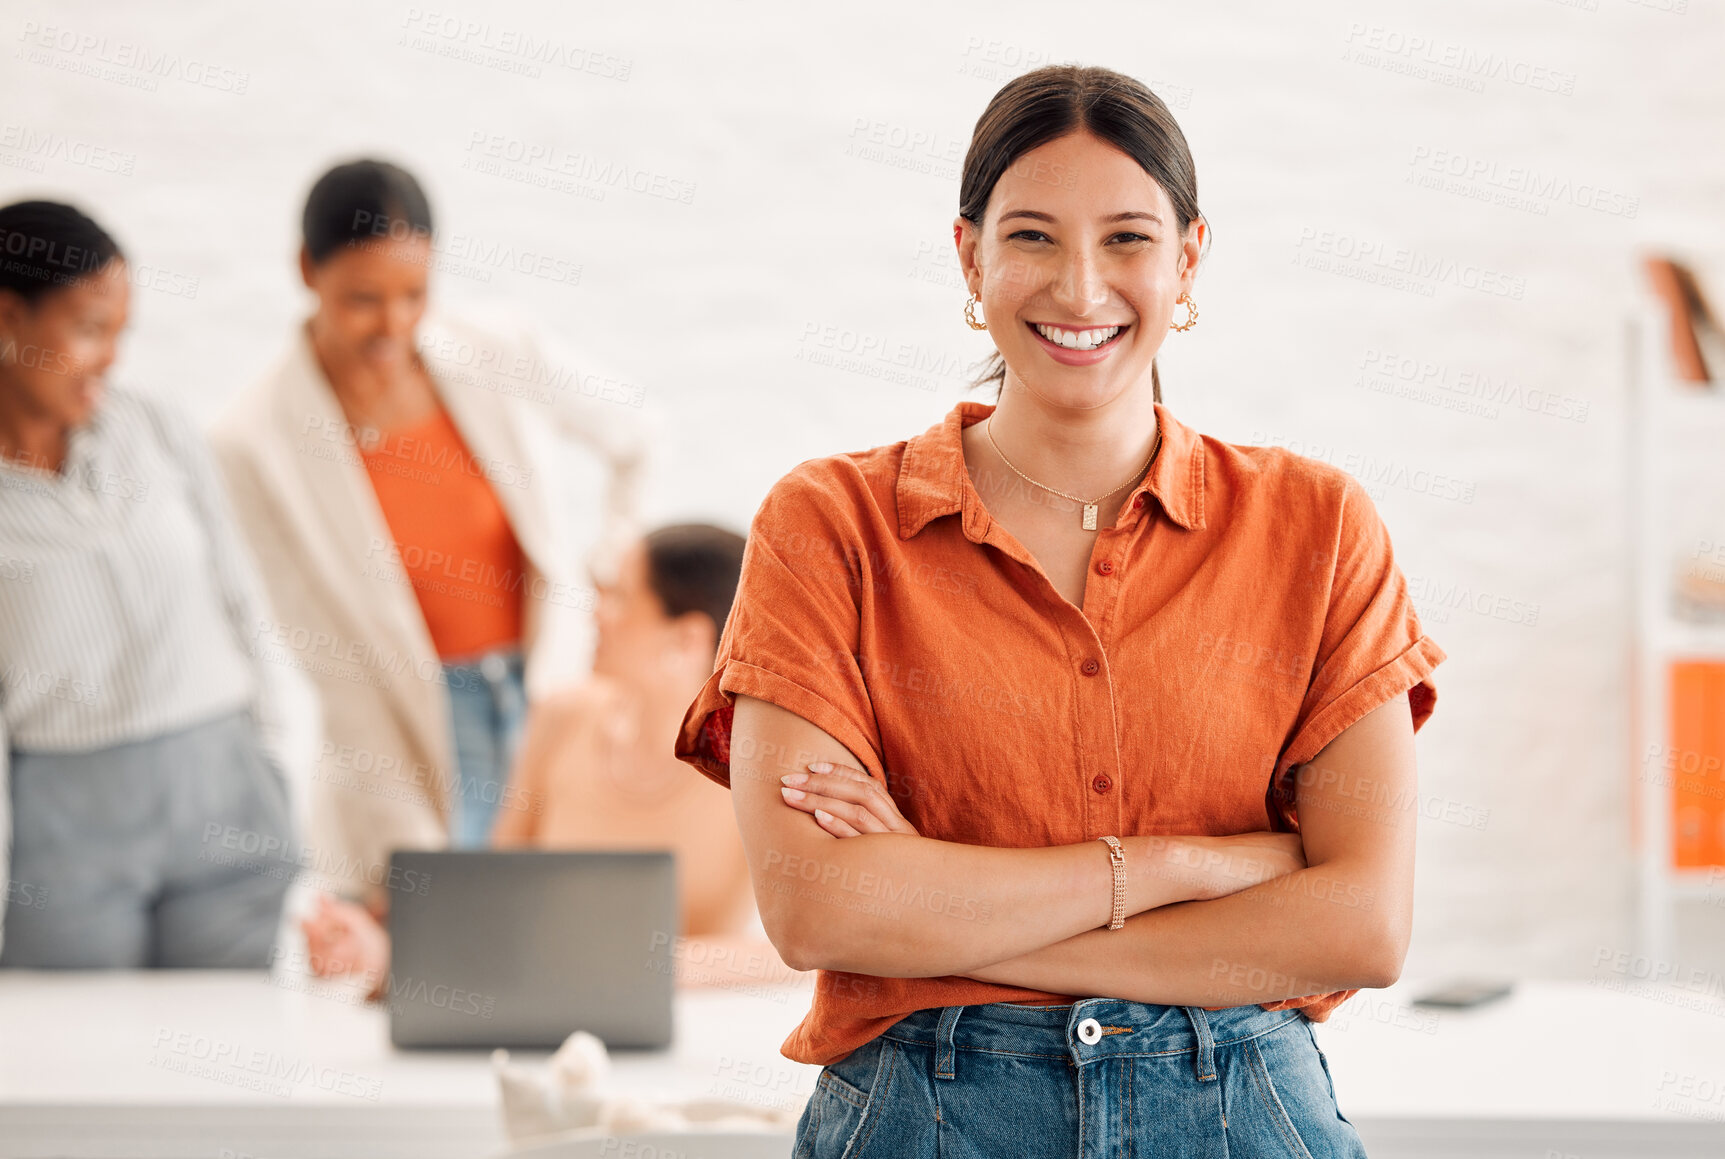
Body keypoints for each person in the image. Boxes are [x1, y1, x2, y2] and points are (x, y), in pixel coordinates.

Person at [673, 65, 1447, 1156]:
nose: (1080, 289)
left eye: (1127, 238)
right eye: (1032, 236)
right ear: (969, 258)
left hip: (1240, 1112)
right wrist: (1184, 866)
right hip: (924, 1116)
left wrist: (946, 919)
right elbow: (817, 909)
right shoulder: (829, 525)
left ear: (1188, 258)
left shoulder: (1317, 526)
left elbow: (1361, 926)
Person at [212, 160, 655, 920]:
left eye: (414, 295)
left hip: (536, 689)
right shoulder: (253, 441)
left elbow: (635, 435)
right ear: (305, 271)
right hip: (405, 726)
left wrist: (608, 567)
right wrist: (404, 843)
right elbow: (329, 664)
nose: (393, 325)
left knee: (556, 942)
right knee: (447, 948)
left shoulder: (495, 347)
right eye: (362, 300)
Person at [0, 200, 310, 968]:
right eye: (88, 328)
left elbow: (239, 600)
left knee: (230, 1041)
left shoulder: (158, 432)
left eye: (120, 332)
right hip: (66, 828)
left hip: (223, 794)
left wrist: (273, 765)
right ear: (8, 316)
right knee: (82, 1062)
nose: (110, 358)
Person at [299, 524, 789, 995]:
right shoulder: (561, 718)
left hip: (694, 1033)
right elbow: (492, 905)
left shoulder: (757, 763)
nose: (594, 614)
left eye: (617, 597)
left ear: (686, 641)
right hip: (548, 1015)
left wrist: (637, 964)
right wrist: (383, 952)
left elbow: (802, 953)